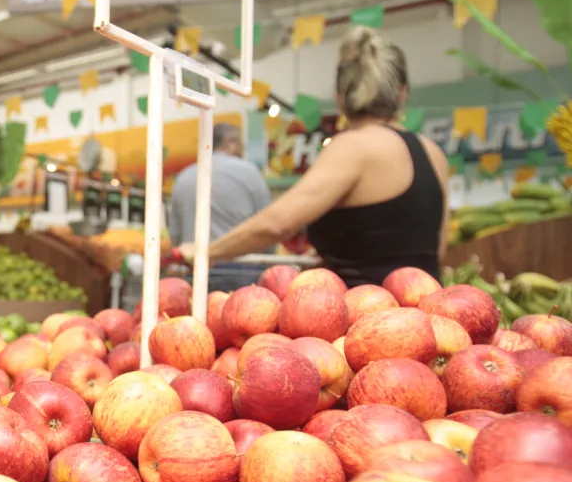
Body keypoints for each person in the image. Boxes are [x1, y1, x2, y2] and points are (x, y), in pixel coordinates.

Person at [181, 27, 448, 287]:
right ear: (402, 93)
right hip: (429, 318)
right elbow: (438, 252)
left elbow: (277, 223)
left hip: (363, 321)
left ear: (340, 98)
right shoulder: (433, 152)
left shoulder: (352, 147)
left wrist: (206, 251)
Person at [169, 123, 272, 290]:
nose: (242, 148)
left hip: (195, 270)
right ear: (230, 142)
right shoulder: (249, 173)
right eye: (240, 142)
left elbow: (175, 233)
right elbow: (268, 223)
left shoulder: (184, 177)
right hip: (243, 270)